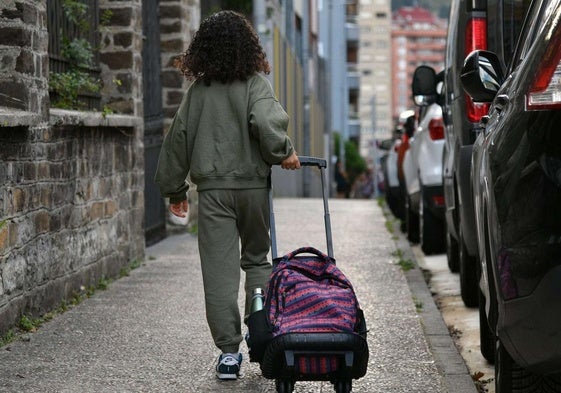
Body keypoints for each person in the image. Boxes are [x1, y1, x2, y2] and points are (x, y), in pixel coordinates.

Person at [154, 10, 300, 381]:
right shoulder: (255, 84)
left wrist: (175, 190)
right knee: (256, 259)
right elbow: (266, 124)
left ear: (204, 49)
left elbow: (178, 140)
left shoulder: (198, 93)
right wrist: (284, 152)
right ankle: (262, 330)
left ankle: (229, 354)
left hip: (214, 192)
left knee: (218, 272)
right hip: (251, 188)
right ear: (248, 47)